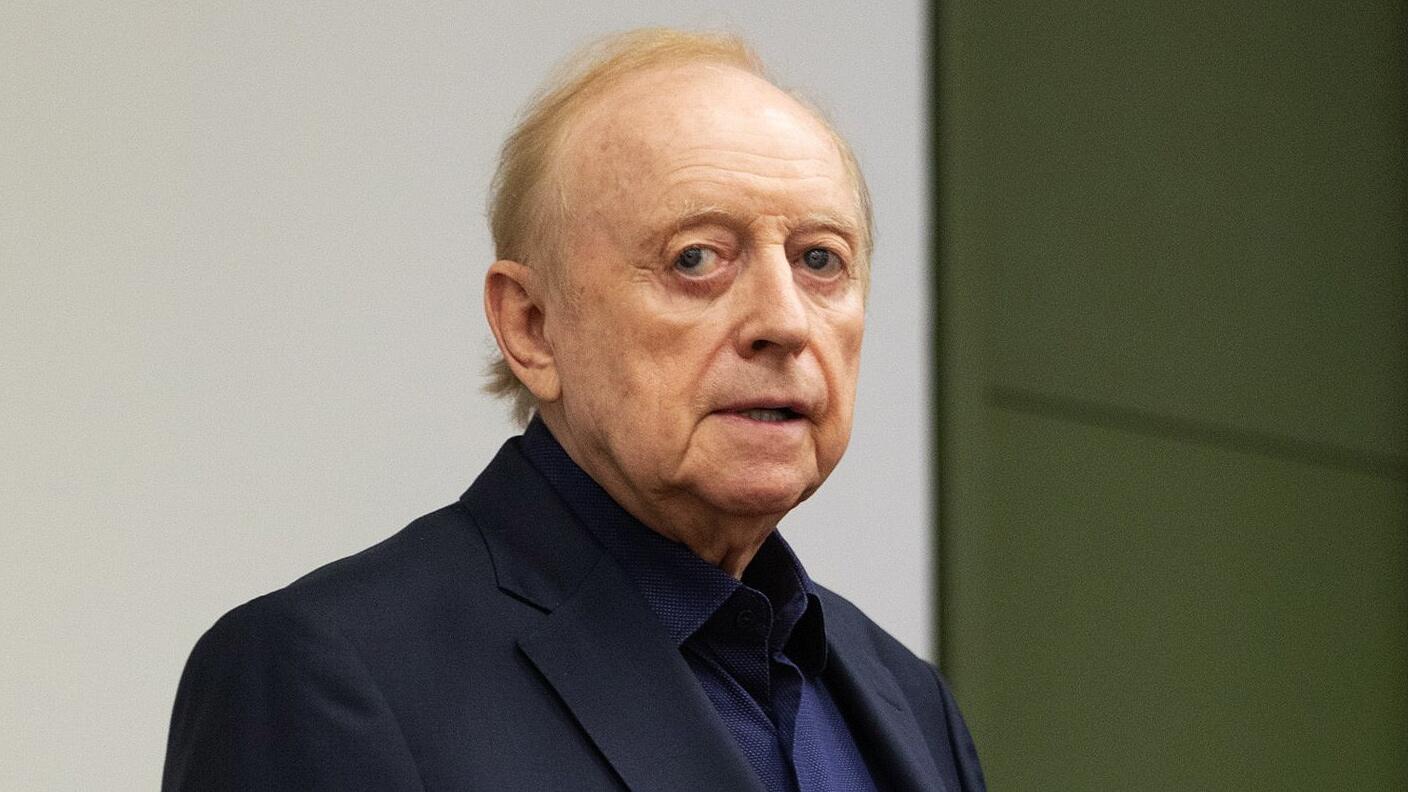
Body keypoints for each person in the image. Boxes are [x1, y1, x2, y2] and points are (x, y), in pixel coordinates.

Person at [162, 28, 985, 792]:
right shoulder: (330, 673)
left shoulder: (911, 701)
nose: (784, 321)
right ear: (532, 326)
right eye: (696, 258)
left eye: (821, 260)